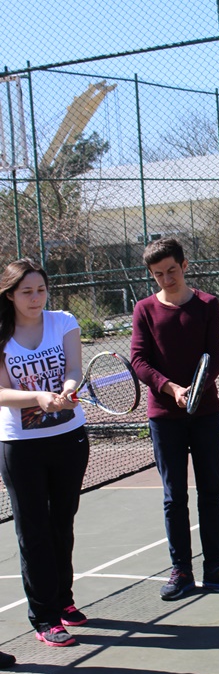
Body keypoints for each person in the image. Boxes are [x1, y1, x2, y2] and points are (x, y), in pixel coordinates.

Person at [130, 237, 219, 600]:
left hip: (206, 414)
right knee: (174, 496)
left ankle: (215, 566)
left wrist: (196, 391)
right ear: (151, 275)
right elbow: (139, 361)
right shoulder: (144, 310)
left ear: (184, 266)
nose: (167, 279)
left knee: (211, 491)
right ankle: (180, 569)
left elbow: (214, 357)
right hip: (164, 417)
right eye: (158, 274)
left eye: (171, 270)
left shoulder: (207, 305)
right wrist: (172, 389)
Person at [0, 259, 90, 649]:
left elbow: (73, 368)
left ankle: (63, 600)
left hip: (69, 438)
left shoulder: (63, 321)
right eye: (26, 292)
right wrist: (37, 397)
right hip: (20, 447)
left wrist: (67, 390)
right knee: (33, 531)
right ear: (9, 295)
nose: (36, 298)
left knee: (62, 523)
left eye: (40, 290)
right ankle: (45, 617)